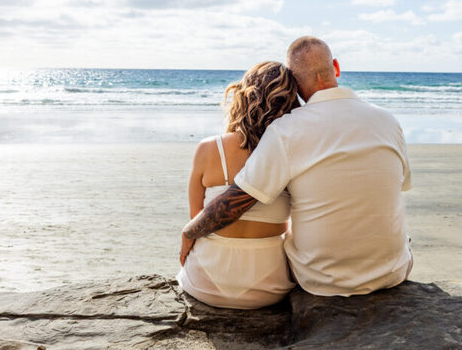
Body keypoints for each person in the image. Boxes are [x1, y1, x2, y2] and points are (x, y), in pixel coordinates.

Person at [181, 36, 413, 297]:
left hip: (321, 280)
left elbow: (237, 200)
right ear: (335, 67)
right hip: (393, 273)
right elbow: (398, 185)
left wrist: (190, 231)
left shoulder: (287, 129)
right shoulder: (388, 121)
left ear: (294, 82)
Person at [176, 61, 299, 309]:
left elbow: (198, 220)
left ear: (243, 96)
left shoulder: (209, 149)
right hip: (269, 287)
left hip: (205, 283)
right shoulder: (294, 151)